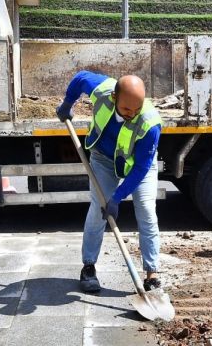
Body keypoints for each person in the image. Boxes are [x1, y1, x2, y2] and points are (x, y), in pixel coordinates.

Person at [56, 71, 163, 293]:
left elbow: (142, 167)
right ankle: (88, 267)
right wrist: (67, 104)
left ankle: (151, 275)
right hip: (103, 158)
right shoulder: (103, 90)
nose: (132, 114)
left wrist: (118, 196)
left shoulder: (151, 124)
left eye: (137, 109)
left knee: (146, 210)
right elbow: (79, 78)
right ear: (115, 98)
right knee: (98, 209)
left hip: (136, 165)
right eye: (126, 110)